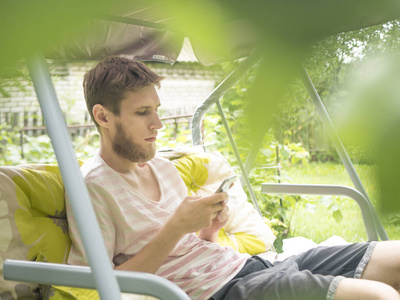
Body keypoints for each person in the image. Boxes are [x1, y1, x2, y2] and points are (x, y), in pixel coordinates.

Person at [66, 56, 400, 300]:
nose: (159, 124)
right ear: (103, 116)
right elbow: (99, 285)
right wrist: (175, 228)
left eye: (156, 109)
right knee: (378, 296)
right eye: (143, 113)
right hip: (222, 292)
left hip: (250, 267)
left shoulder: (163, 168)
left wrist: (208, 231)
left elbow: (189, 247)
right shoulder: (93, 188)